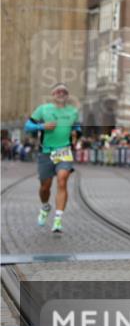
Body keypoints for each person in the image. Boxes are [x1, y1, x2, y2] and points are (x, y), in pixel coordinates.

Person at [24, 83, 82, 233]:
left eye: (64, 92)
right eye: (58, 91)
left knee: (62, 181)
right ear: (53, 94)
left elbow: (77, 127)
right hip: (46, 153)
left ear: (67, 95)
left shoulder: (73, 111)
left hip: (64, 151)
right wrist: (41, 127)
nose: (61, 93)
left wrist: (76, 133)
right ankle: (45, 206)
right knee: (45, 187)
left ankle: (58, 219)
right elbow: (27, 126)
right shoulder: (43, 109)